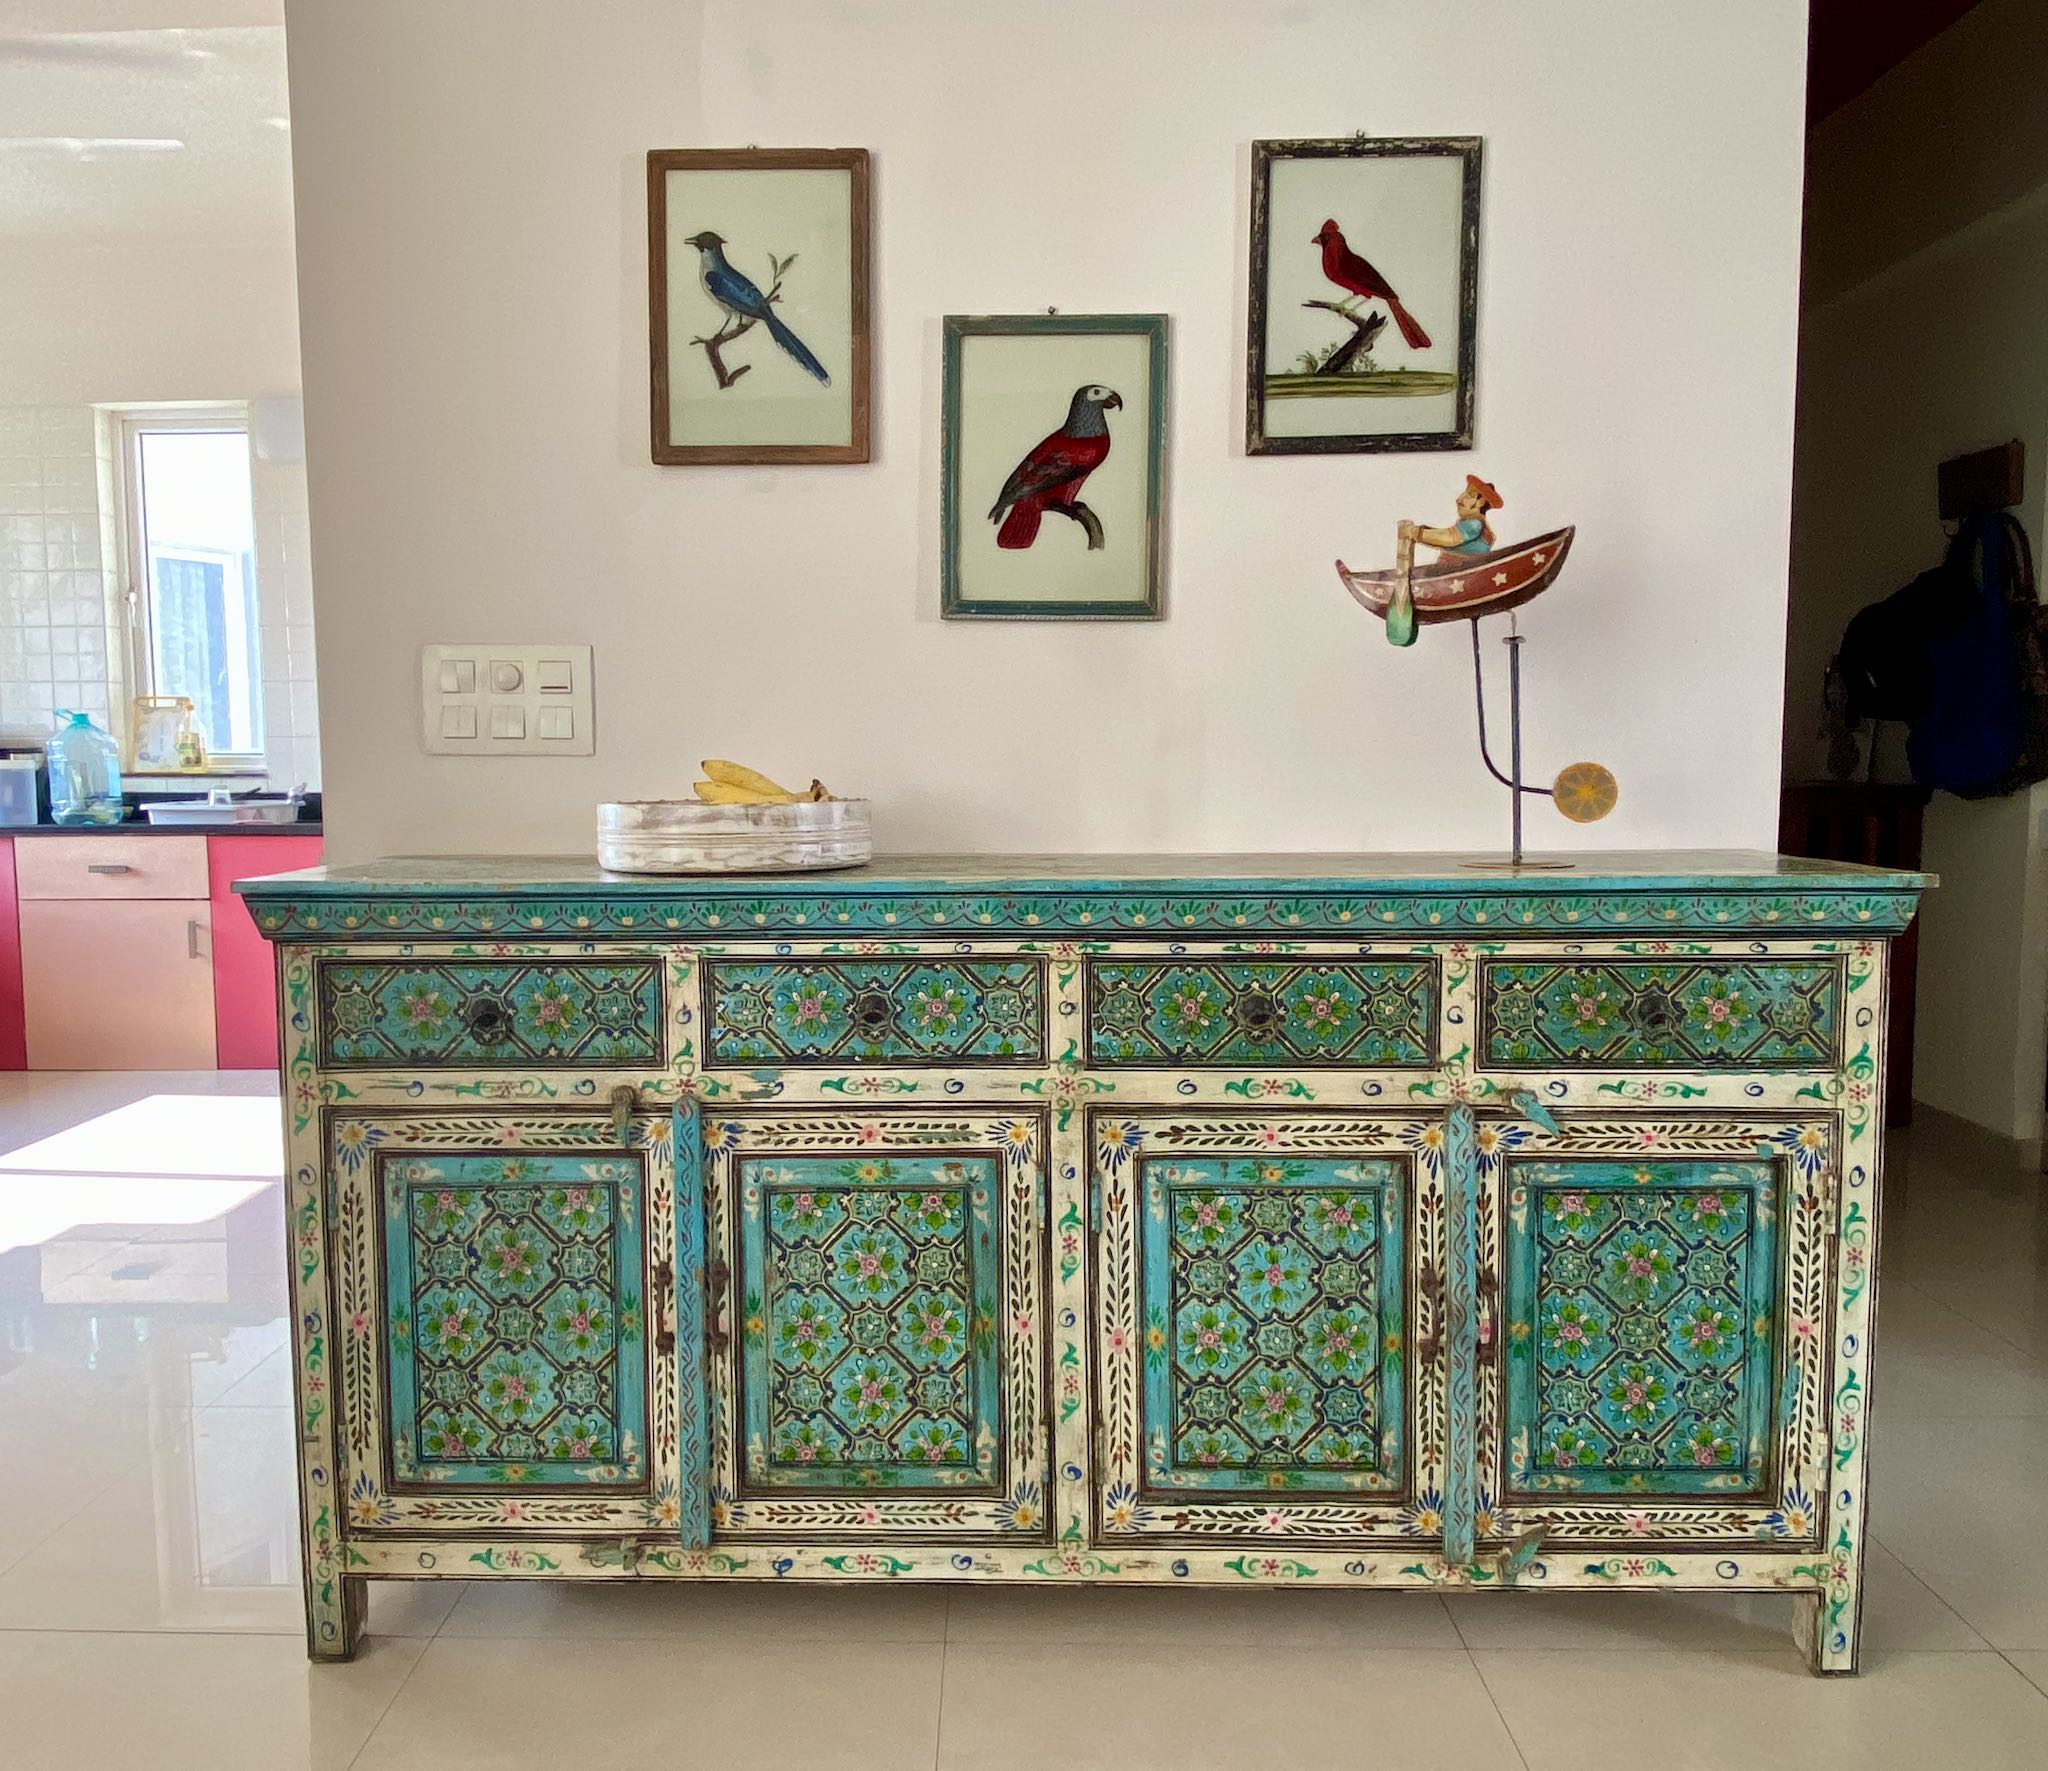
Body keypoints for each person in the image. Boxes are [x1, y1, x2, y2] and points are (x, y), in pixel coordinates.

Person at [1400, 475, 1502, 558]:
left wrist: (1414, 532)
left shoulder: (1474, 525)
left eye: (1470, 495)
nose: (1459, 499)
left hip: (1462, 576)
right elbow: (1442, 539)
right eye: (1464, 493)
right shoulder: (1467, 523)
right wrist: (1423, 531)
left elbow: (1448, 538)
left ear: (1481, 502)